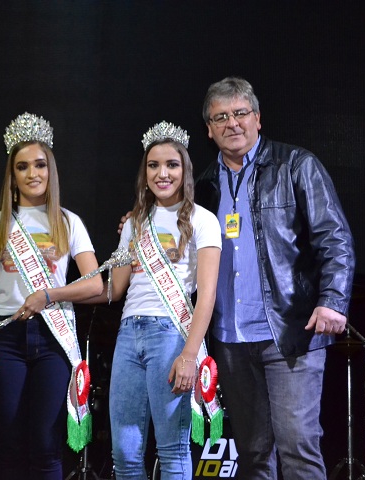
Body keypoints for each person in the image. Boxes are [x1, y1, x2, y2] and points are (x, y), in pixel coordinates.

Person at [195, 76, 355, 479]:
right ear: (209, 130)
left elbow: (334, 239)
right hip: (229, 341)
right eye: (221, 117)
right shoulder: (202, 187)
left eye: (240, 113)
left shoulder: (296, 165)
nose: (232, 123)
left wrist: (333, 301)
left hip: (290, 332)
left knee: (297, 447)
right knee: (252, 455)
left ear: (258, 118)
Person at [0, 112, 103, 480]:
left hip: (53, 337)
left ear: (51, 170)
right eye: (23, 166)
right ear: (12, 175)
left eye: (40, 165)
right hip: (6, 337)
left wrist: (48, 295)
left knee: (47, 443)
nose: (33, 173)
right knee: (9, 442)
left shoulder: (68, 221)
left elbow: (95, 283)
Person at [95, 121, 221, 479]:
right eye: (153, 165)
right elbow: (115, 289)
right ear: (144, 171)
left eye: (171, 165)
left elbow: (207, 294)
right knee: (125, 452)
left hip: (171, 335)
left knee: (171, 450)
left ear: (185, 170)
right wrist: (54, 292)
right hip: (127, 334)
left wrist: (187, 355)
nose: (162, 173)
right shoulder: (135, 223)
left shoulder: (204, 220)